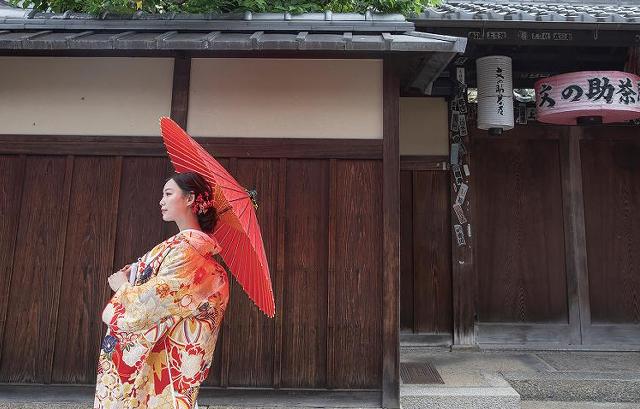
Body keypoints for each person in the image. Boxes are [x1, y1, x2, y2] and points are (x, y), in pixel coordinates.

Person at [94, 172, 229, 409]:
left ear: (190, 199)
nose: (161, 201)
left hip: (166, 356)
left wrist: (124, 287)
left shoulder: (187, 250)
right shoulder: (187, 248)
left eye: (168, 194)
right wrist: (137, 273)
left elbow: (156, 300)